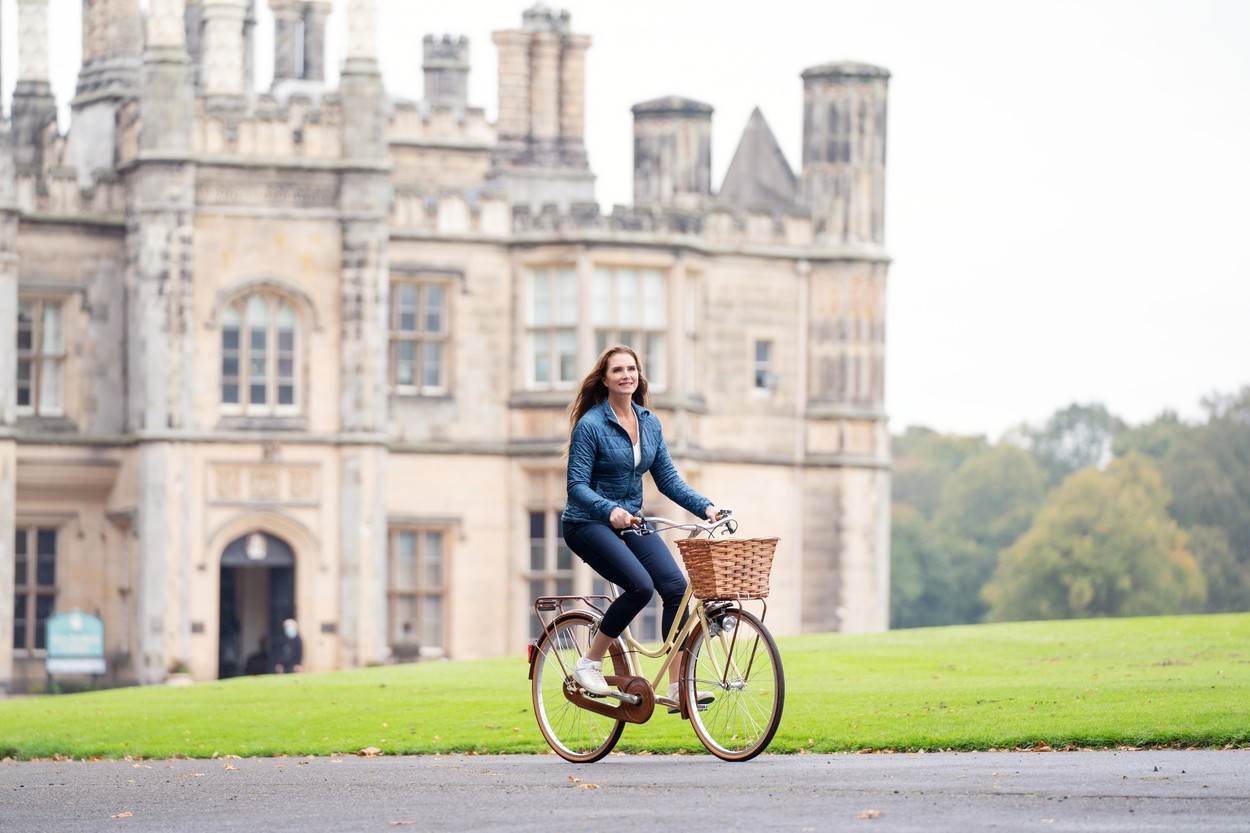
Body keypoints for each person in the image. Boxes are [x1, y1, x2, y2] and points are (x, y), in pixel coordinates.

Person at [561, 344, 718, 711]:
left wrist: (705, 507)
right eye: (618, 370)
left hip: (631, 520)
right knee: (640, 587)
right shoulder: (592, 425)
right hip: (587, 523)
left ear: (639, 375)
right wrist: (609, 509)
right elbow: (576, 486)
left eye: (631, 369)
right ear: (605, 379)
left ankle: (680, 687)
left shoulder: (648, 422)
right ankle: (588, 662)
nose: (626, 375)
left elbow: (668, 480)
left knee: (677, 588)